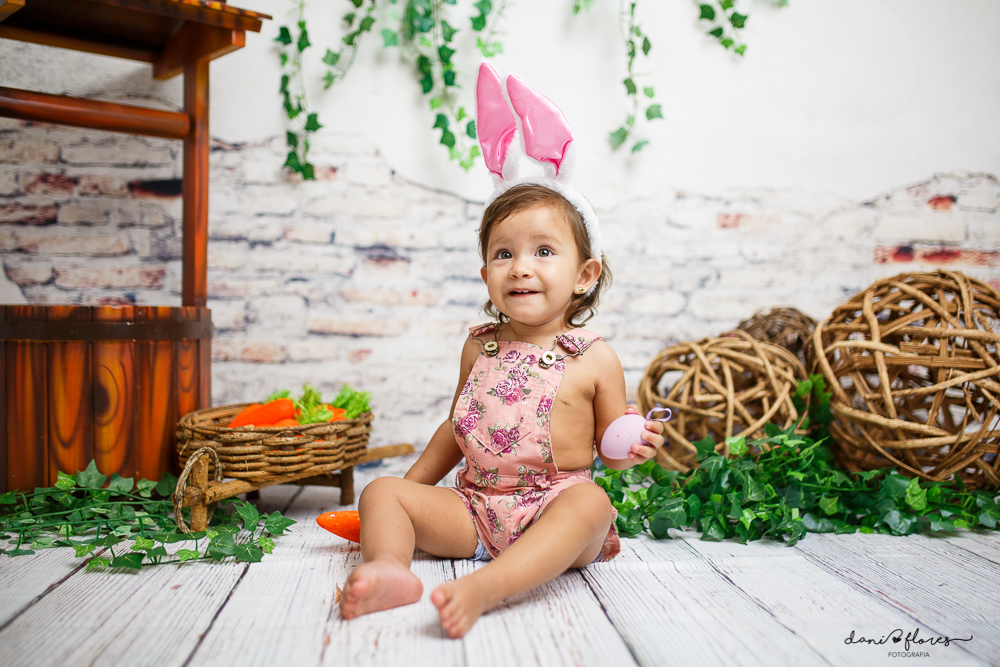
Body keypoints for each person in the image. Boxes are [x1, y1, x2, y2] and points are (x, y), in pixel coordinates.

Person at [339, 63, 666, 638]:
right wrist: (412, 494)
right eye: (503, 253)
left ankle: (489, 587)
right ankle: (389, 569)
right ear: (485, 272)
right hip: (474, 509)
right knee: (382, 490)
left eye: (544, 251)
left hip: (554, 509)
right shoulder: (479, 347)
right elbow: (455, 429)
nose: (520, 268)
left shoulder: (594, 357)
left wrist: (633, 448)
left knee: (591, 504)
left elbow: (610, 450)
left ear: (584, 275)